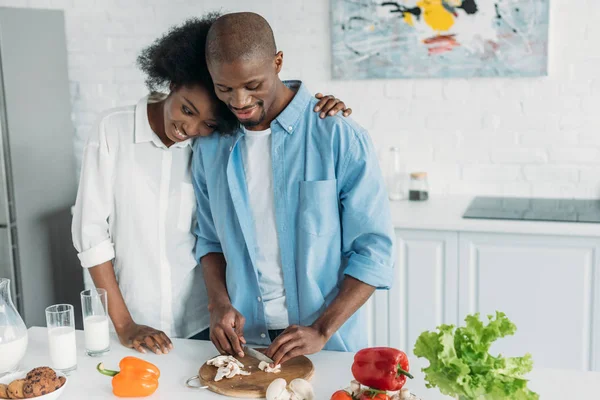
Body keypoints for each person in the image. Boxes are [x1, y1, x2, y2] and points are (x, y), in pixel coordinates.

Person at [71, 14, 353, 355]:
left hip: (201, 324)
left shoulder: (213, 143)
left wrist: (314, 107)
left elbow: (211, 234)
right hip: (129, 320)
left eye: (205, 122)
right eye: (187, 110)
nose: (189, 129)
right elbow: (92, 237)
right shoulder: (114, 131)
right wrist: (125, 323)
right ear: (172, 83)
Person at [193, 12, 395, 366]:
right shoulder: (210, 146)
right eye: (224, 88)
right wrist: (219, 303)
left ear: (278, 61)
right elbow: (209, 241)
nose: (238, 101)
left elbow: (374, 253)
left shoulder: (337, 136)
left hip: (326, 343)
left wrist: (321, 328)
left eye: (253, 85)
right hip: (244, 346)